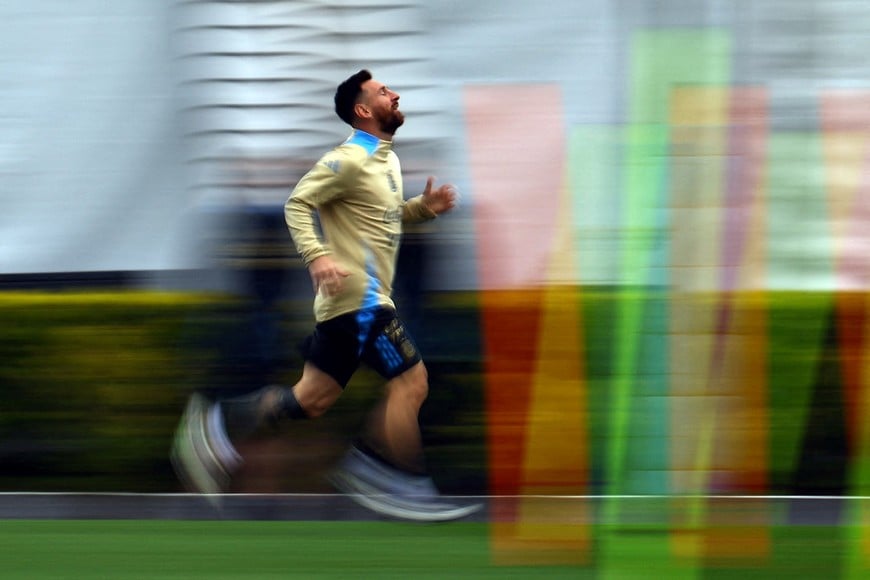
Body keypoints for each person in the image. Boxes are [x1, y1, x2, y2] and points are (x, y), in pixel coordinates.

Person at [171, 69, 480, 522]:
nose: (393, 95)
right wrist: (317, 257)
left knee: (310, 400)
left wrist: (422, 209)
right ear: (362, 110)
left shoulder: (383, 162)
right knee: (411, 383)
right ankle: (396, 478)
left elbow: (383, 217)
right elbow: (297, 204)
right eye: (382, 93)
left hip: (356, 302)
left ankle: (216, 422)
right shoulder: (348, 159)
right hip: (358, 299)